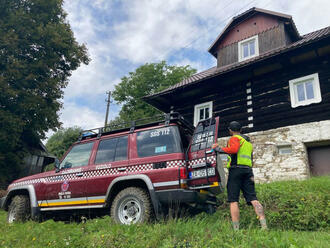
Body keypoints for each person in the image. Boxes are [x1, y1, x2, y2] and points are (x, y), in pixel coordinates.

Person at [212, 121, 267, 230]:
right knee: (253, 198)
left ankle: (236, 229)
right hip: (248, 171)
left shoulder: (234, 138)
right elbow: (251, 159)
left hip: (236, 170)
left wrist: (218, 148)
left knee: (233, 200)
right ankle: (264, 225)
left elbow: (233, 150)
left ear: (230, 130)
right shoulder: (248, 143)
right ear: (241, 130)